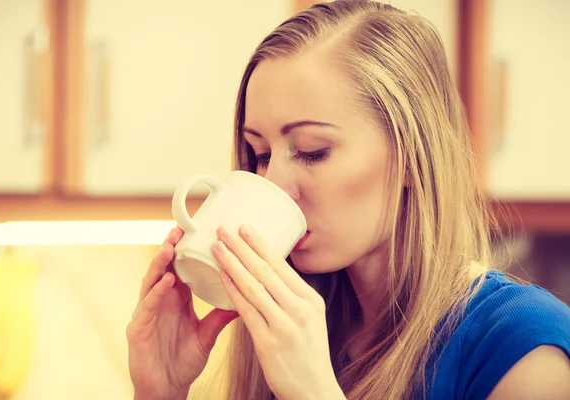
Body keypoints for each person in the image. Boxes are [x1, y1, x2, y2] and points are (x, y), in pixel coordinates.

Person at [126, 1, 570, 399]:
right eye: (260, 155)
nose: (273, 181)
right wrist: (161, 393)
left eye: (313, 150)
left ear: (413, 157)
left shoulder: (523, 349)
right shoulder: (299, 333)